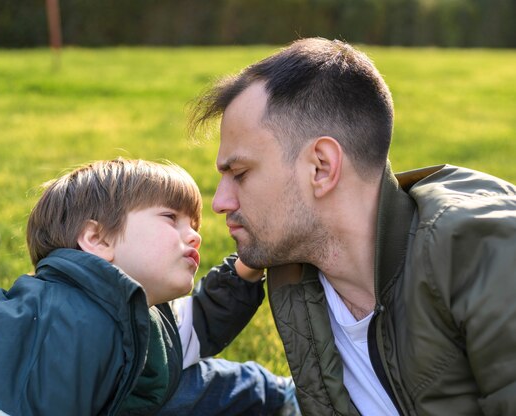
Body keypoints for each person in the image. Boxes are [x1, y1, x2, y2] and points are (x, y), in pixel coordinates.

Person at [189, 37, 516, 415]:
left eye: (240, 174)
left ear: (321, 167)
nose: (219, 202)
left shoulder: (481, 251)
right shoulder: (294, 272)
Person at [0, 158, 299, 415]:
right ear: (97, 240)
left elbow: (195, 328)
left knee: (191, 379)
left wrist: (246, 266)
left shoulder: (133, 317)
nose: (193, 236)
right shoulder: (70, 316)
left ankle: (286, 398)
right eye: (170, 218)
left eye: (193, 226)